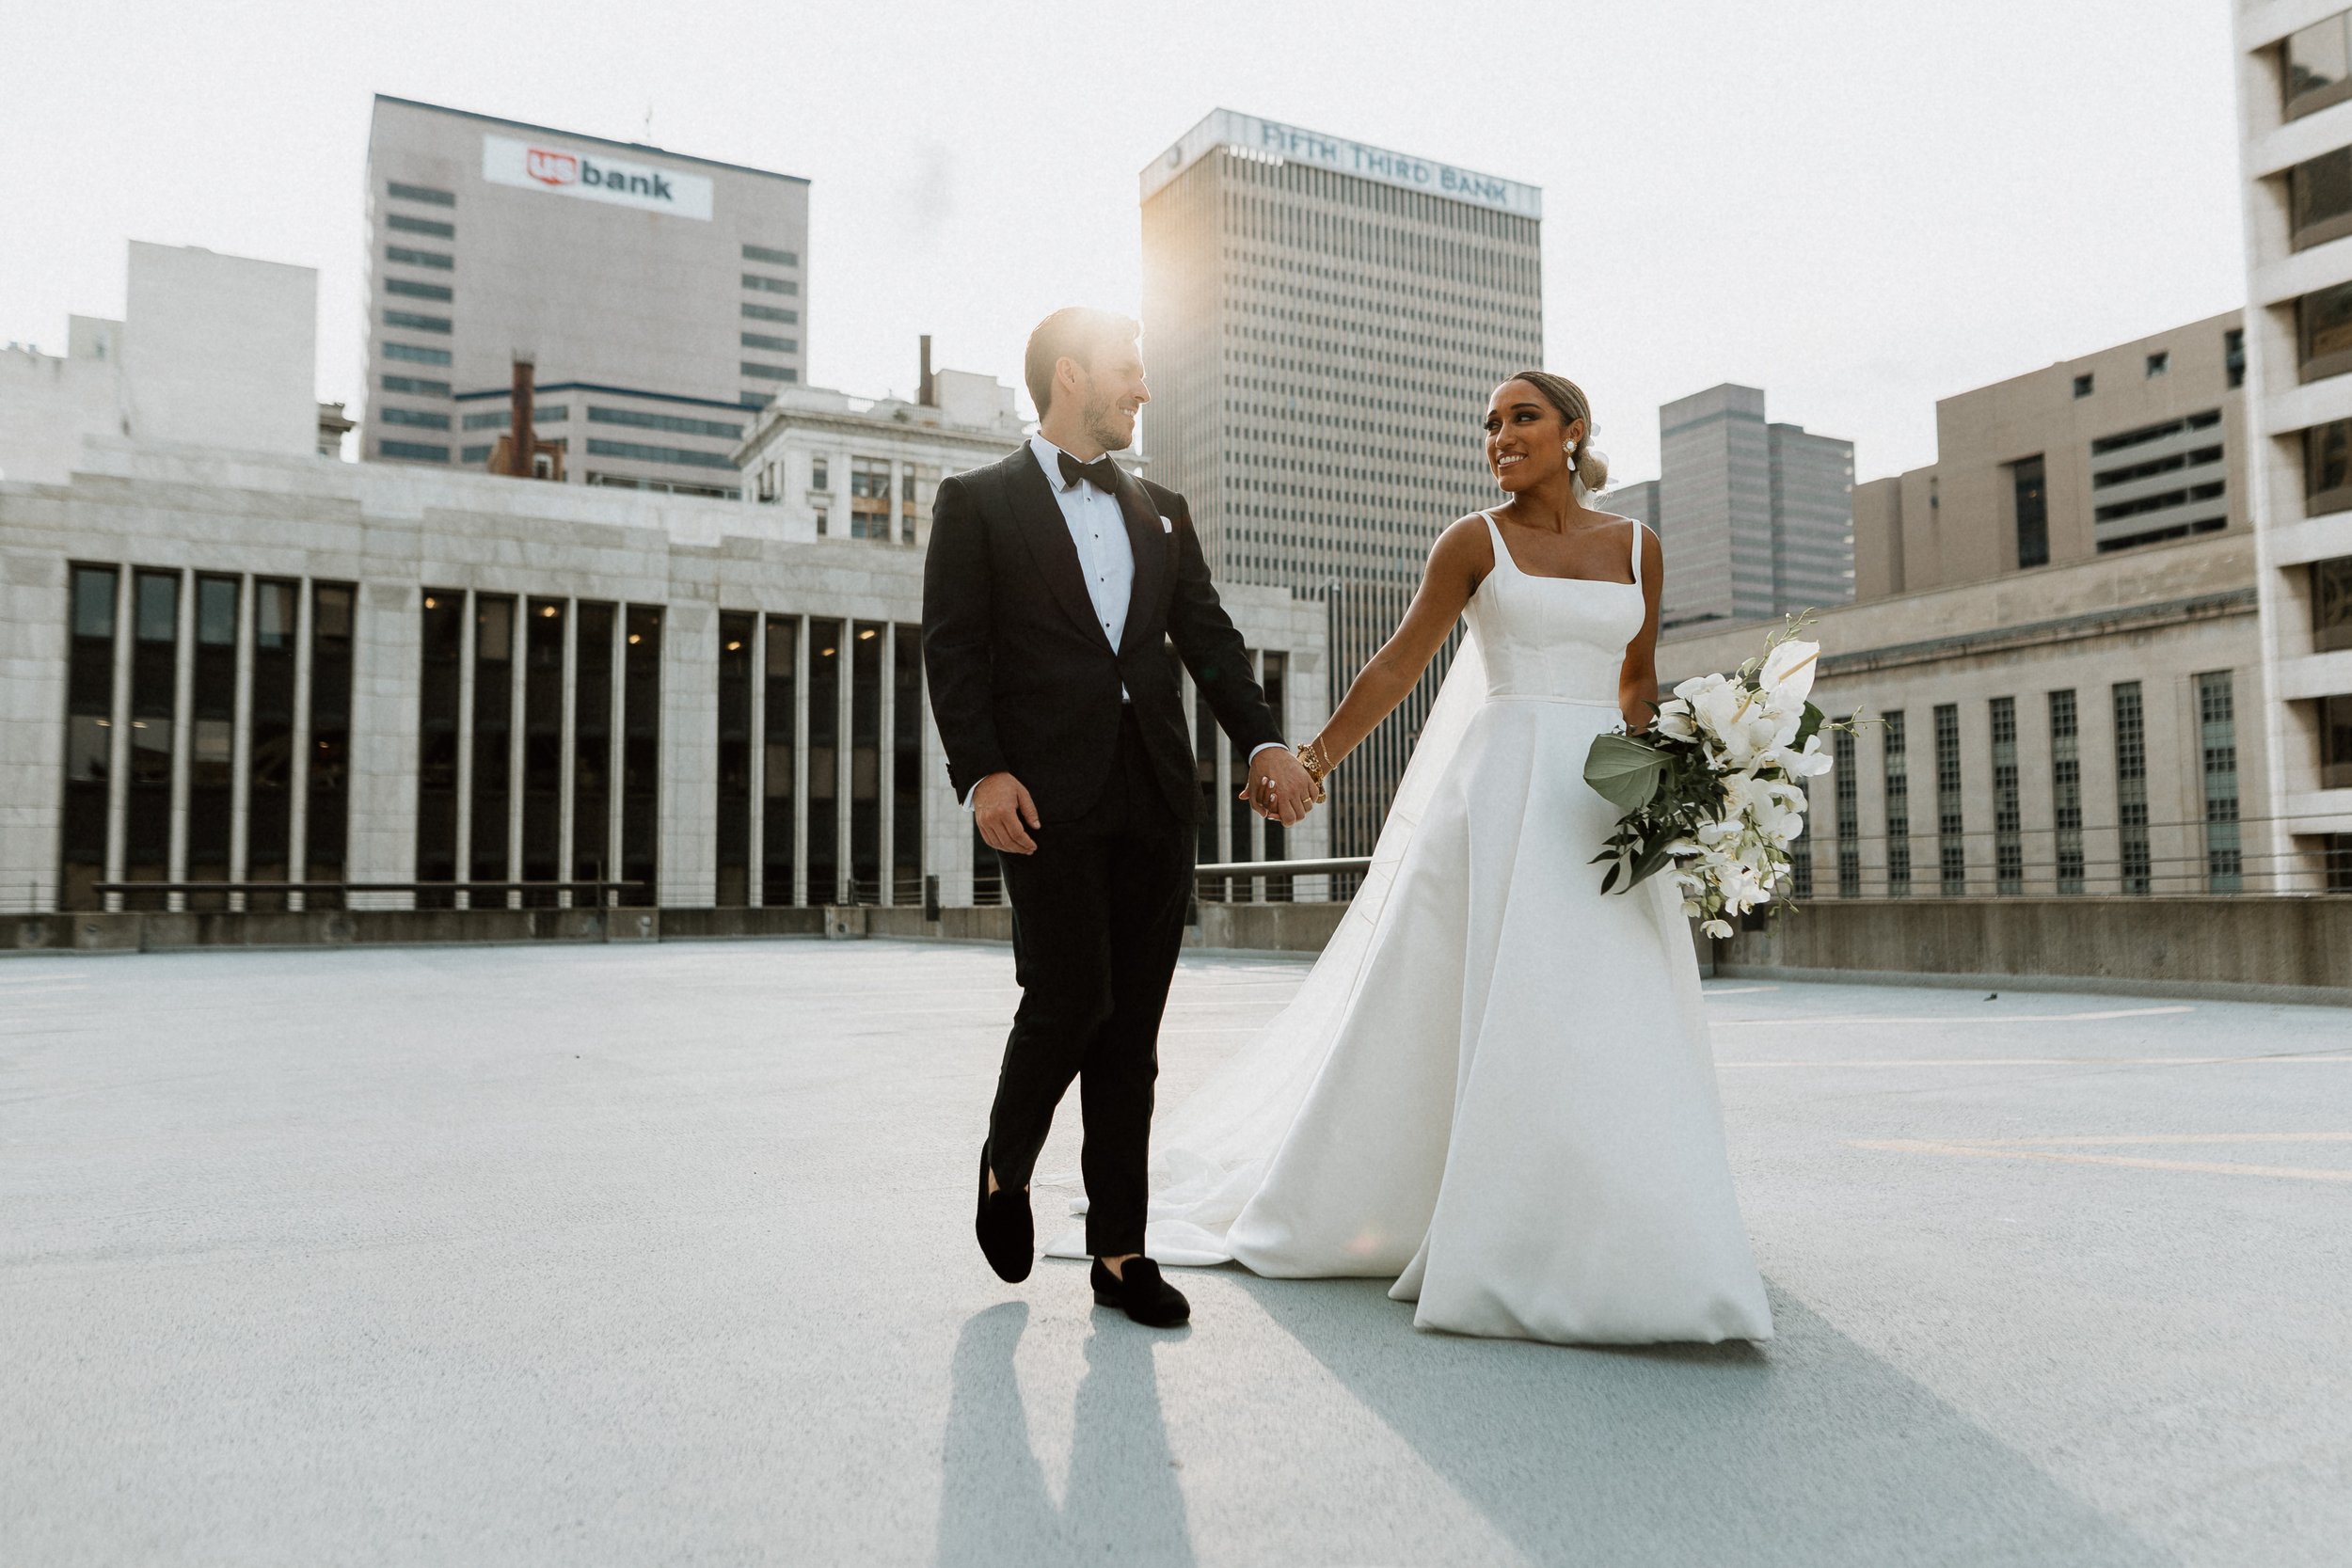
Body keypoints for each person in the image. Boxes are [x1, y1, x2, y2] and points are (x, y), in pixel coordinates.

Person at [1121, 372, 1775, 1345]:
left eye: (1522, 418)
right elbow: (1398, 660)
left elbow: (1637, 683)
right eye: (1490, 424)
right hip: (1504, 791)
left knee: (1614, 1008)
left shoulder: (1639, 547)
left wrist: (1675, 801)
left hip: (1605, 800)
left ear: (1572, 433)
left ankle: (1637, 1227)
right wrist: (1310, 760)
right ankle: (1489, 1221)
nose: (1501, 436)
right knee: (1499, 1000)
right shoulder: (1473, 542)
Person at [921, 307, 1321, 1329]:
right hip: (1043, 796)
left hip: (1153, 793)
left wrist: (1264, 740)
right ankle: (1006, 1168)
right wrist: (983, 773)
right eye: (1128, 372)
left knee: (1130, 1032)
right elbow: (955, 652)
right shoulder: (977, 502)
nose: (1143, 389)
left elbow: (1211, 641)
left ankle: (1118, 1250)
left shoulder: (1162, 509)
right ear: (1069, 376)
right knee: (1068, 997)